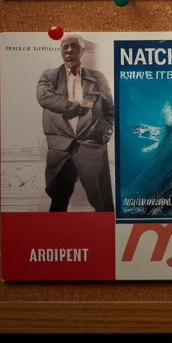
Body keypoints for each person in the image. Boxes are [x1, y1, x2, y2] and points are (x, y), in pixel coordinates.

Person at [36, 34, 115, 212]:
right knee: (58, 197)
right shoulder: (49, 76)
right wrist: (75, 106)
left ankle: (108, 236)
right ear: (61, 51)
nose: (69, 50)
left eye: (74, 47)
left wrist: (104, 132)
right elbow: (44, 98)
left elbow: (110, 108)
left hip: (91, 144)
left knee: (102, 200)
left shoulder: (98, 77)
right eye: (65, 47)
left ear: (82, 51)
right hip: (59, 146)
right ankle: (56, 236)